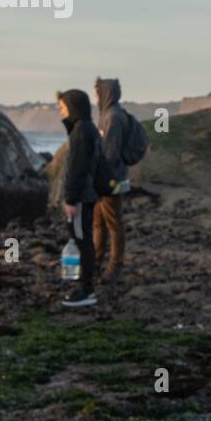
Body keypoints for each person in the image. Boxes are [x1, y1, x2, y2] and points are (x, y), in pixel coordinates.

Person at [56, 89, 101, 308]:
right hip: (84, 195)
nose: (61, 113)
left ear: (73, 107)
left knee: (82, 242)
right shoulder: (84, 128)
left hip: (81, 197)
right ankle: (85, 285)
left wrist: (70, 199)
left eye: (64, 108)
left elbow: (77, 168)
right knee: (82, 241)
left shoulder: (81, 131)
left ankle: (86, 290)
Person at [93, 77, 132, 282]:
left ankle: (115, 268)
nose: (94, 96)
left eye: (97, 92)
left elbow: (110, 152)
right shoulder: (108, 114)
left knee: (114, 224)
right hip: (107, 178)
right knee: (99, 223)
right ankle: (96, 263)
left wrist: (99, 177)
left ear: (104, 93)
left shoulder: (113, 117)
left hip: (111, 180)